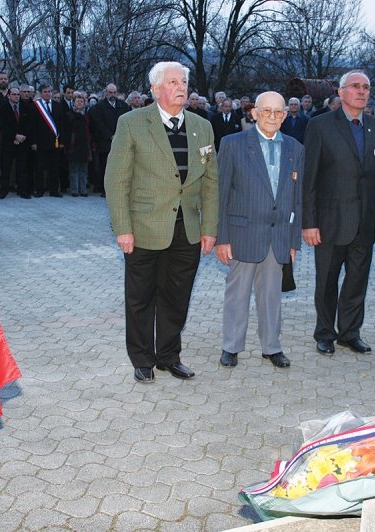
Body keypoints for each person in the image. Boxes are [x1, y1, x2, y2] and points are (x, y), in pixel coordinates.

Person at [105, 61, 218, 383]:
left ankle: (169, 355)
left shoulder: (202, 127)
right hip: (144, 228)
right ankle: (142, 358)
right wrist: (122, 228)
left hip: (188, 229)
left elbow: (211, 181)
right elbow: (116, 181)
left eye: (184, 81)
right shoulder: (132, 123)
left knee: (177, 296)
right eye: (172, 82)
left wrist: (209, 228)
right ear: (156, 90)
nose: (181, 87)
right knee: (141, 296)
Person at [302, 70, 375, 355]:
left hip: (364, 223)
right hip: (330, 222)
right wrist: (309, 223)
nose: (362, 91)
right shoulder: (320, 125)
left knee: (356, 282)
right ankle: (325, 333)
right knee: (327, 282)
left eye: (366, 87)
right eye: (355, 86)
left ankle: (350, 333)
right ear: (341, 93)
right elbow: (310, 179)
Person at [216, 91, 303, 369]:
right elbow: (220, 194)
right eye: (266, 111)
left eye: (279, 112)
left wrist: (293, 240)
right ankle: (231, 346)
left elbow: (297, 199)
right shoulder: (233, 144)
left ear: (286, 115)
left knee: (272, 295)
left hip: (277, 236)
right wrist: (222, 237)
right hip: (242, 233)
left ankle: (271, 347)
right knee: (237, 293)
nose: (272, 117)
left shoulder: (295, 148)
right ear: (254, 113)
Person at [89, 83, 130, 197]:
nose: (112, 95)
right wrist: (110, 135)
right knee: (105, 166)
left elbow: (127, 121)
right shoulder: (99, 107)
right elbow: (99, 123)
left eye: (114, 92)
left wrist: (120, 135)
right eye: (110, 92)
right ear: (106, 93)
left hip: (121, 141)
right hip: (105, 142)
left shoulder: (123, 106)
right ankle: (105, 189)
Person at [0, 87, 32, 199]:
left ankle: (22, 190)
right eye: (14, 94)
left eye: (18, 94)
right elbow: (3, 126)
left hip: (22, 143)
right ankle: (3, 190)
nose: (16, 96)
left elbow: (29, 125)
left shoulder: (25, 108)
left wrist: (22, 137)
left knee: (22, 168)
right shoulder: (2, 108)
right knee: (6, 167)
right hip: (8, 142)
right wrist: (15, 136)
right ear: (8, 96)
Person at [64, 92, 92, 197]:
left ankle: (83, 190)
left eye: (82, 101)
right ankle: (74, 190)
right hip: (73, 145)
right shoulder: (69, 115)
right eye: (78, 101)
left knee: (84, 170)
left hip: (85, 145)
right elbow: (66, 130)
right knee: (74, 170)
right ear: (73, 103)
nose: (80, 103)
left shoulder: (87, 115)